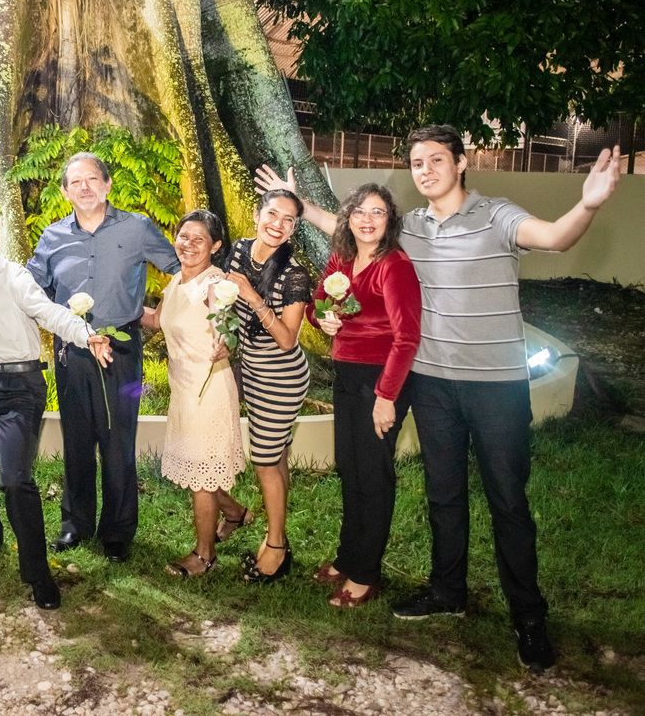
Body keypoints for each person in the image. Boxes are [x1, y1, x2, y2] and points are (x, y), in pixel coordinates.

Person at [257, 124, 620, 672]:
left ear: (462, 162)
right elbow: (356, 231)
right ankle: (447, 591)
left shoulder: (496, 215)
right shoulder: (413, 229)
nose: (424, 169)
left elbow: (555, 237)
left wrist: (586, 205)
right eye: (416, 162)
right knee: (443, 495)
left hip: (496, 384)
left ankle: (528, 616)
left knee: (508, 502)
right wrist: (302, 206)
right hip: (431, 386)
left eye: (435, 159)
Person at [0, 208, 113, 609]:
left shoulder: (14, 277)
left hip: (22, 389)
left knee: (14, 480)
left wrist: (87, 335)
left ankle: (38, 575)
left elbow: (49, 313)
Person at [27, 152, 181, 563]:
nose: (84, 187)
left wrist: (163, 312)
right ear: (64, 191)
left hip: (123, 350)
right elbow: (29, 288)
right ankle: (76, 524)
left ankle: (117, 531)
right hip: (71, 350)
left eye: (92, 179)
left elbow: (181, 268)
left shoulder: (137, 228)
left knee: (118, 443)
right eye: (75, 182)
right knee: (77, 440)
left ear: (108, 184)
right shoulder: (53, 237)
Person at [303, 184, 420, 607]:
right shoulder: (342, 259)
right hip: (347, 374)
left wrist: (386, 396)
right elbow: (317, 306)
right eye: (359, 212)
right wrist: (324, 320)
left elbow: (407, 338)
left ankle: (366, 574)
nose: (367, 220)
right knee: (350, 470)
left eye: (378, 212)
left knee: (373, 475)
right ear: (348, 218)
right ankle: (348, 557)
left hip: (383, 379)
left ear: (390, 220)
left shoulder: (395, 266)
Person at [140, 210, 249, 577]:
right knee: (197, 466)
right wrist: (111, 307)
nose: (187, 244)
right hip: (182, 392)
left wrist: (225, 343)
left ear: (215, 246)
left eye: (198, 239)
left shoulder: (214, 285)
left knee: (201, 476)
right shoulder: (176, 282)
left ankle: (205, 556)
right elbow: (157, 321)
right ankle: (235, 513)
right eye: (183, 236)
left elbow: (226, 325)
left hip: (209, 393)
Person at [222, 189, 311, 583]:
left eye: (287, 220)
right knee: (275, 458)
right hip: (250, 369)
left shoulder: (294, 274)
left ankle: (274, 546)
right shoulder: (239, 250)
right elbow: (224, 306)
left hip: (282, 375)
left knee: (263, 459)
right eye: (272, 214)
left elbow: (288, 339)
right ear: (257, 214)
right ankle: (279, 538)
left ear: (293, 229)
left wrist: (253, 296)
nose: (277, 224)